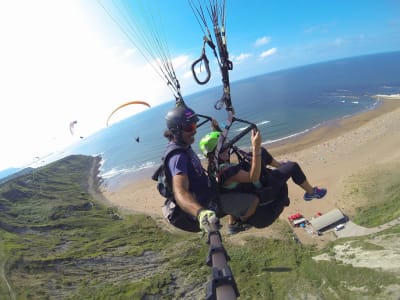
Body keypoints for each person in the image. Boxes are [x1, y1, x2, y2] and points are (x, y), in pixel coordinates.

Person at [199, 130, 327, 233]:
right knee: (293, 166)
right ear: (213, 154)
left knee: (262, 153)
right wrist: (255, 147)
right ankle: (311, 192)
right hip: (259, 190)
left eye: (226, 146)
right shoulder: (226, 171)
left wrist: (215, 128)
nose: (227, 150)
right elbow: (253, 177)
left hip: (242, 190)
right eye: (223, 149)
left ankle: (279, 165)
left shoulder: (213, 166)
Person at [162, 104, 259, 233]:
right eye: (190, 127)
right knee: (252, 201)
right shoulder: (177, 157)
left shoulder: (182, 143)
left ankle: (233, 221)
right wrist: (201, 213)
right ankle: (237, 225)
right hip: (207, 205)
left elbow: (217, 145)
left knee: (235, 187)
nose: (194, 131)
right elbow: (180, 192)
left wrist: (216, 128)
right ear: (176, 130)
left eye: (195, 126)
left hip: (210, 190)